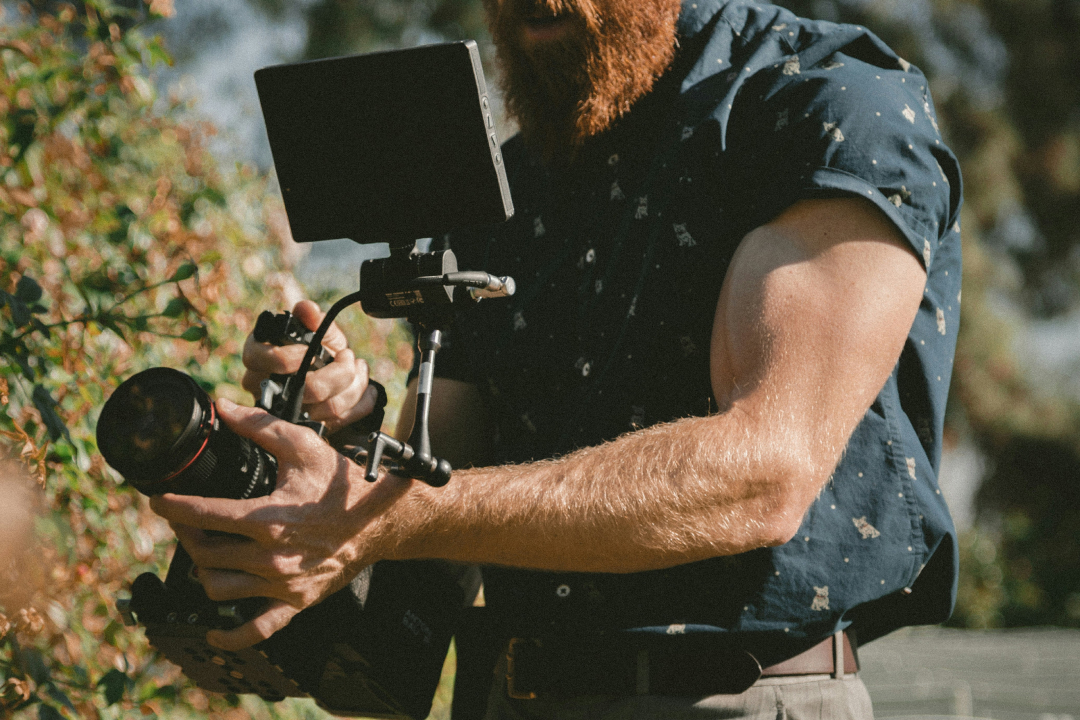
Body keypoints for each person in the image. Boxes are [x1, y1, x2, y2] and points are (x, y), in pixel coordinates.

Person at [149, 0, 963, 717]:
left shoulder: (817, 102)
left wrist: (391, 514)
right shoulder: (505, 189)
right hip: (512, 694)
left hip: (739, 699)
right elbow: (437, 519)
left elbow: (764, 475)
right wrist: (347, 424)